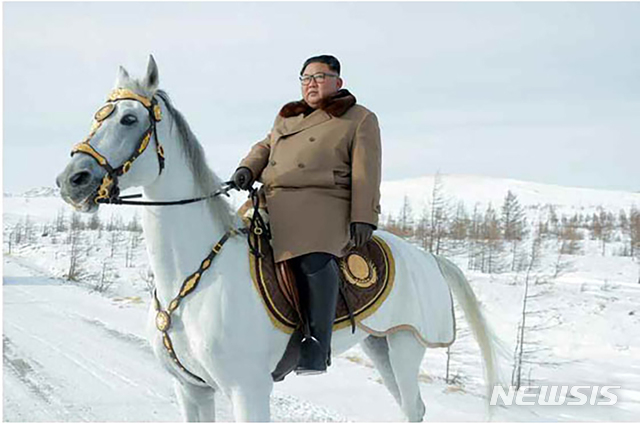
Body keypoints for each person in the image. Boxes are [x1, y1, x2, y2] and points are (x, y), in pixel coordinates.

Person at [232, 54, 382, 375]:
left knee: (313, 259)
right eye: (305, 78)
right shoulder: (289, 116)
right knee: (230, 243)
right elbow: (265, 146)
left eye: (319, 77)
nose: (311, 83)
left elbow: (366, 173)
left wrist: (364, 216)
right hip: (272, 197)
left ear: (338, 82)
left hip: (323, 202)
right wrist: (247, 167)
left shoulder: (359, 118)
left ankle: (315, 346)